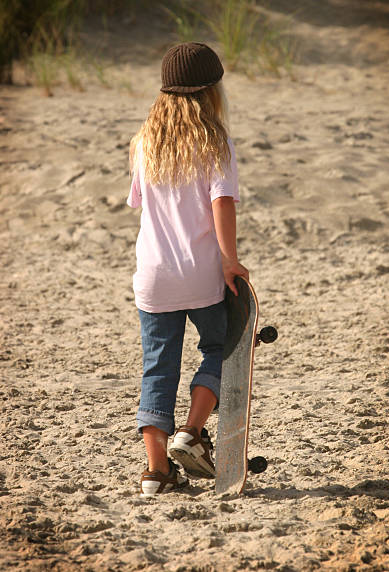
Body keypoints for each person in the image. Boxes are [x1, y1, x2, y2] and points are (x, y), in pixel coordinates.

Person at [127, 42, 248, 497]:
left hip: (154, 277)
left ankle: (156, 472)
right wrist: (229, 259)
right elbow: (222, 203)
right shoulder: (217, 145)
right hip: (201, 275)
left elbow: (139, 204)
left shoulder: (144, 144)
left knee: (157, 369)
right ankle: (192, 432)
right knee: (222, 347)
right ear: (212, 92)